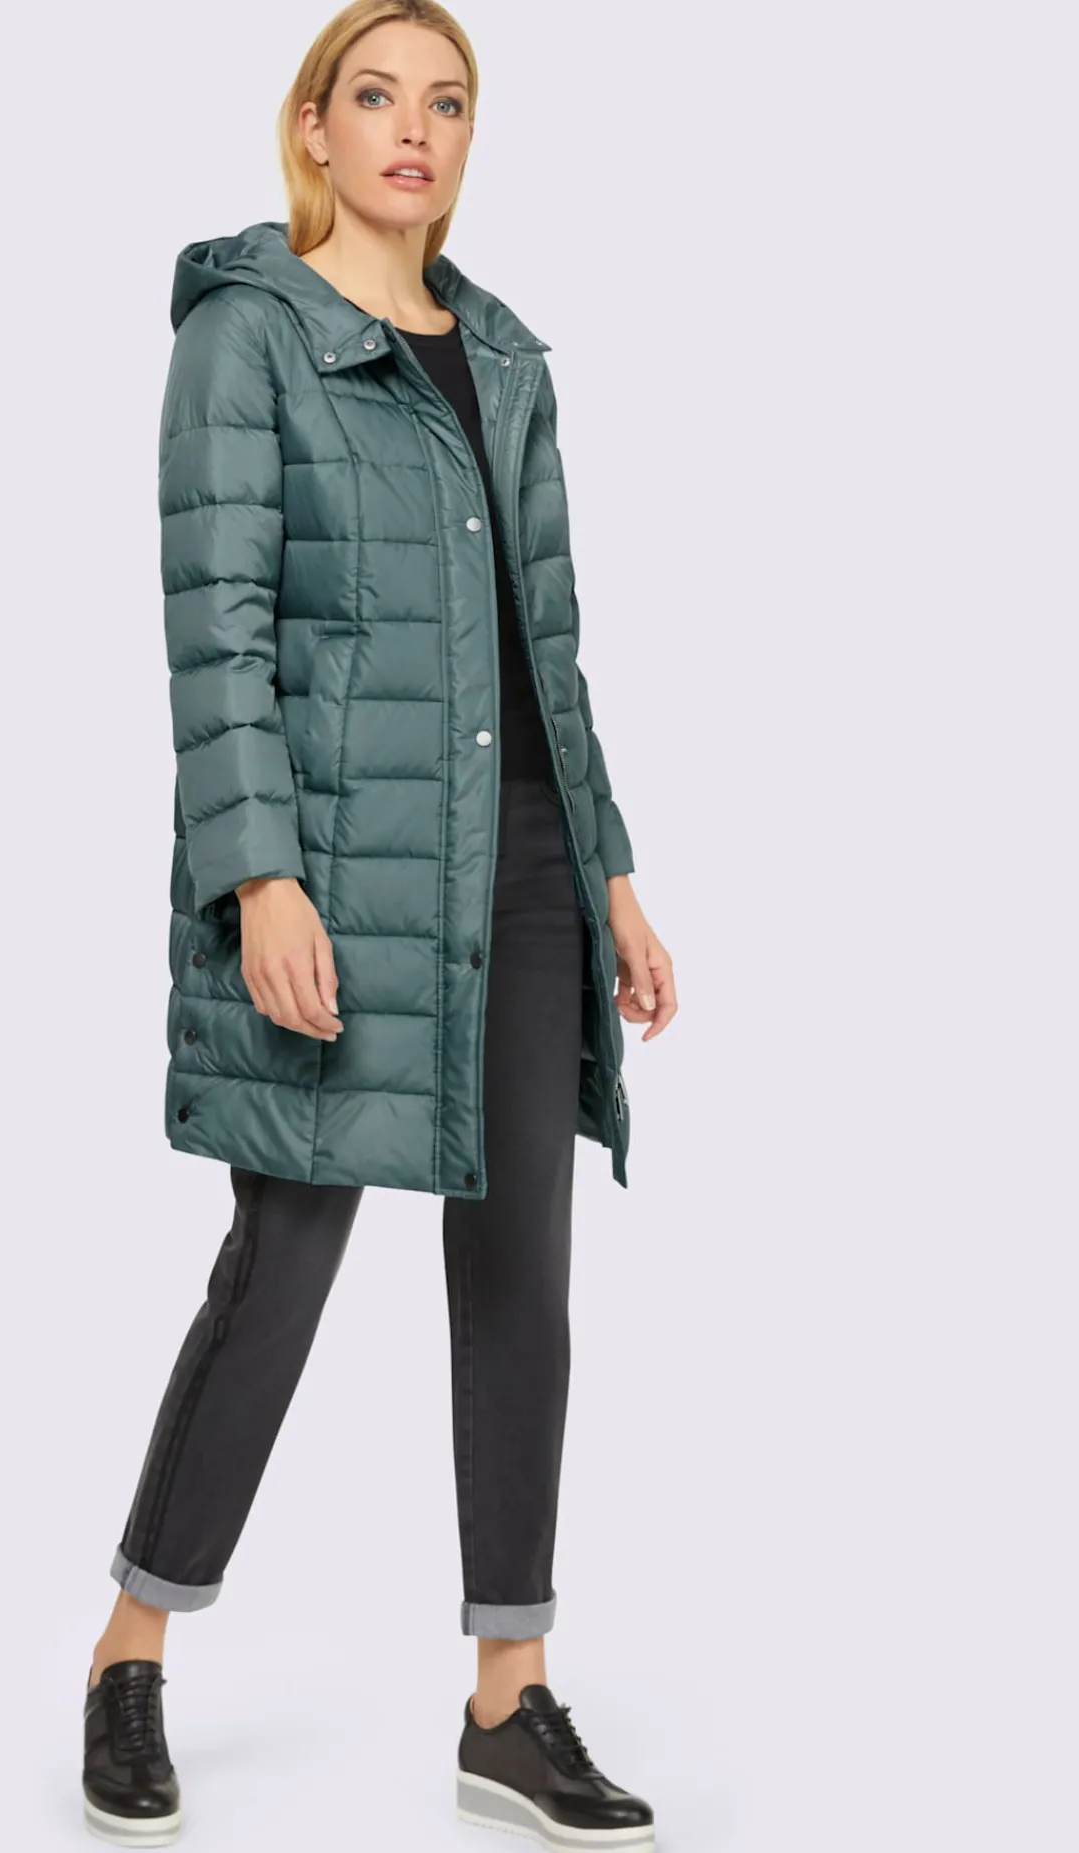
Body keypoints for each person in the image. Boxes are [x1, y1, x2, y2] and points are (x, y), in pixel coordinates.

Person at [82, 4, 677, 1846]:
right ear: (314, 128)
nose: (413, 129)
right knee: (282, 1268)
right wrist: (260, 875)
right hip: (334, 874)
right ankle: (129, 1653)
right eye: (377, 96)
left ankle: (508, 1699)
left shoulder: (503, 355)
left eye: (448, 102)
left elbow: (547, 645)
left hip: (520, 867)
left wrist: (610, 870)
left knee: (521, 1285)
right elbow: (216, 636)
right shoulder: (246, 336)